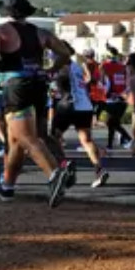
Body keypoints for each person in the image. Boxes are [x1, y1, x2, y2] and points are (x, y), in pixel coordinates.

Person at [0, 0, 72, 205]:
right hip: (38, 84)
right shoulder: (40, 32)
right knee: (15, 141)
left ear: (6, 11)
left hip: (16, 86)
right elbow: (65, 53)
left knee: (27, 138)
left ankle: (54, 174)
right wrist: (51, 69)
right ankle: (7, 186)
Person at [50, 46, 110, 189]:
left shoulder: (62, 68)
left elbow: (55, 84)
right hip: (85, 106)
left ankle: (64, 165)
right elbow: (88, 81)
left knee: (53, 137)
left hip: (69, 105)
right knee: (86, 140)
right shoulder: (77, 66)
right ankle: (99, 170)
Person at [99, 47, 132, 150]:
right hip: (122, 99)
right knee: (112, 123)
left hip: (112, 99)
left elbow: (105, 83)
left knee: (112, 123)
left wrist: (106, 93)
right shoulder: (123, 67)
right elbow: (128, 83)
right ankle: (110, 145)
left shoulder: (105, 66)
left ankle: (129, 139)